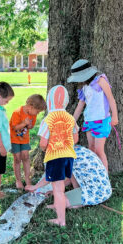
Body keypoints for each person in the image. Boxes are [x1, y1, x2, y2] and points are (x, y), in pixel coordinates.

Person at [37, 85, 79, 226]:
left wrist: (45, 149)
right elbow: (76, 139)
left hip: (55, 157)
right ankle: (57, 204)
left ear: (50, 100)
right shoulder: (70, 118)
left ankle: (61, 220)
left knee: (58, 188)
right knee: (58, 185)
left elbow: (43, 142)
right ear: (66, 101)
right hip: (69, 157)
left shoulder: (49, 119)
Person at [67, 59, 118, 171]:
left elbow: (111, 98)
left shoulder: (100, 81)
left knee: (100, 151)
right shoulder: (84, 87)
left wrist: (115, 116)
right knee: (92, 148)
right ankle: (95, 174)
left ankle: (105, 179)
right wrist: (72, 122)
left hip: (102, 120)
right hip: (89, 121)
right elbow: (80, 105)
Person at [26, 145, 112, 209]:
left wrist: (35, 187)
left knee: (60, 203)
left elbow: (51, 177)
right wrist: (54, 191)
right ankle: (79, 196)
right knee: (61, 195)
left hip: (97, 192)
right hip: (103, 188)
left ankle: (83, 201)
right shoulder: (74, 149)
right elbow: (70, 178)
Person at [10, 94, 46, 189]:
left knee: (26, 157)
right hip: (14, 139)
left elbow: (31, 126)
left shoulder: (32, 115)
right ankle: (18, 180)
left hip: (25, 139)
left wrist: (29, 125)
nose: (37, 114)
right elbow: (14, 127)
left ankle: (27, 179)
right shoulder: (17, 112)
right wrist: (24, 123)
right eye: (37, 111)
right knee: (17, 159)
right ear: (31, 106)